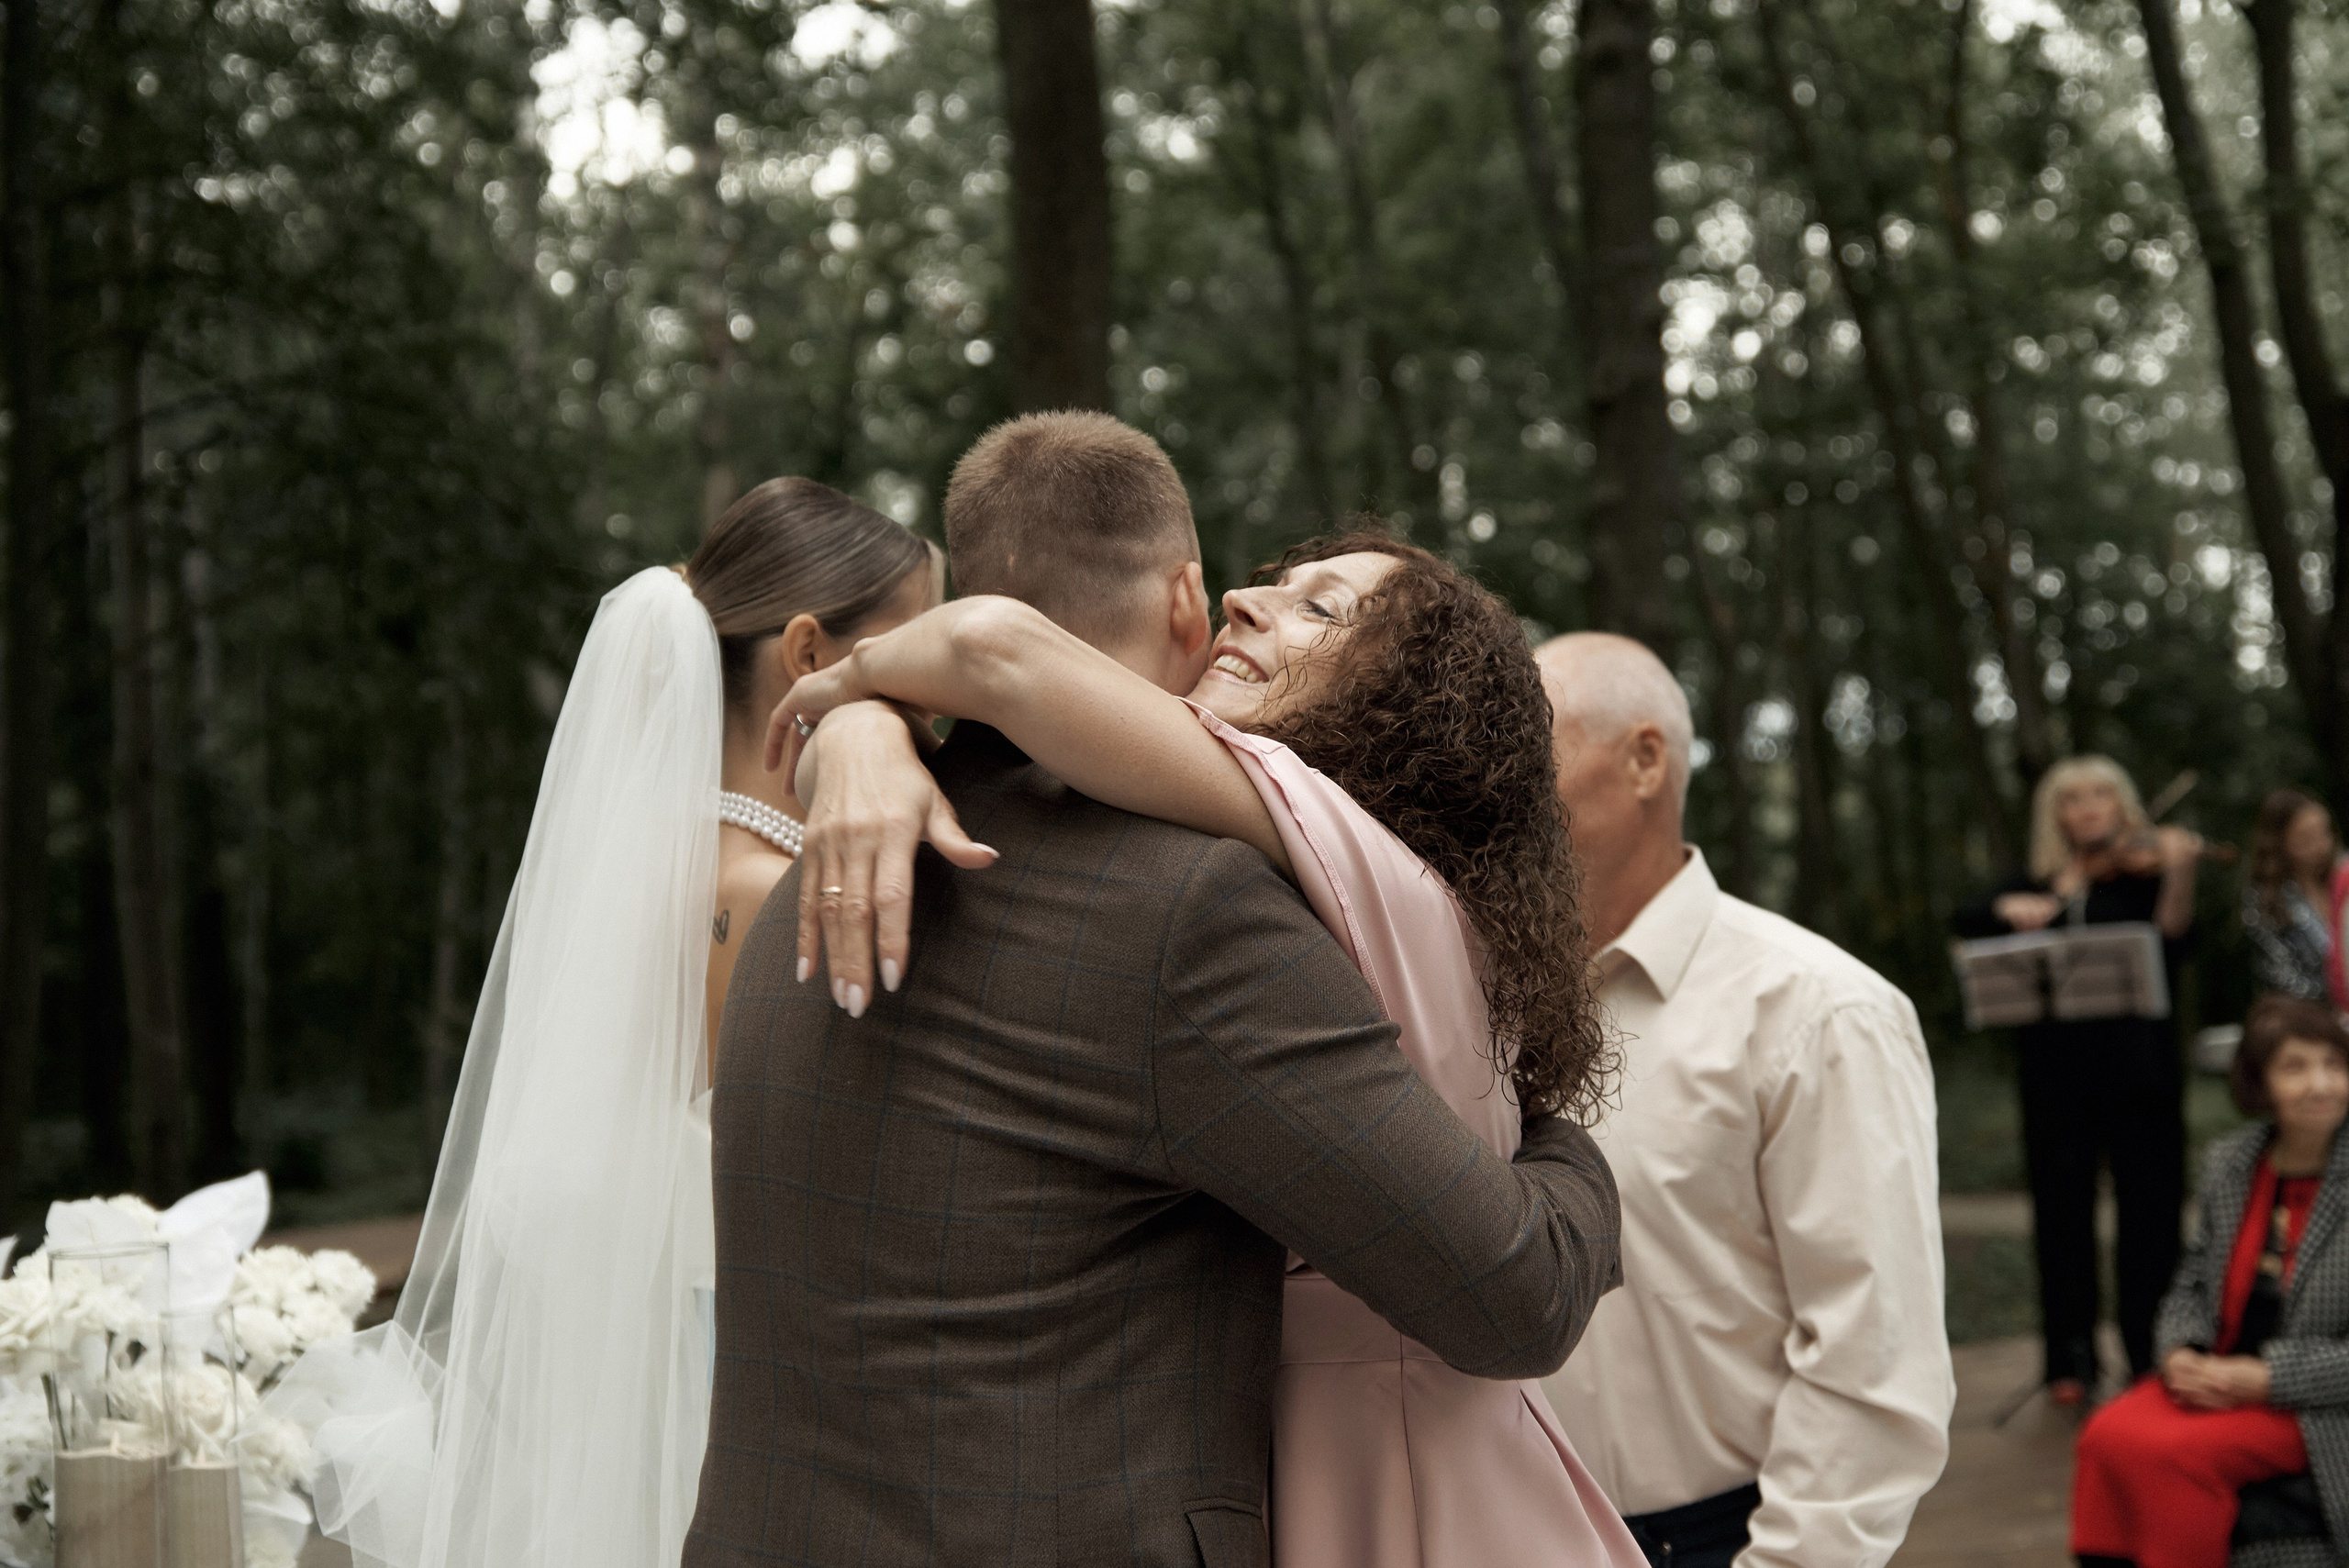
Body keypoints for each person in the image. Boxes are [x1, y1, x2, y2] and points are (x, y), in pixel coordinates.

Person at [683, 413, 1631, 1568]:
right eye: (1258, 584)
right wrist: (1560, 1139)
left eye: (1319, 606)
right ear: (1186, 597)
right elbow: (1513, 1295)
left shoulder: (819, 870)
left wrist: (856, 717)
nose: (1249, 600)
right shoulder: (1193, 911)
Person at [269, 480, 941, 1568]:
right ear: (811, 653)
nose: (932, 706)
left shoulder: (628, 887)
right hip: (755, 1409)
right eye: (914, 661)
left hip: (624, 1395)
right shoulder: (791, 899)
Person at [1534, 632, 1954, 1568]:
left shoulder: (1818, 1010)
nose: (1490, 782)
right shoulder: (1475, 999)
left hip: (1720, 1539)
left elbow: (1869, 1360)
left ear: (1646, 759)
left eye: (1529, 744)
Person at [1954, 755, 2204, 1403]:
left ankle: (2151, 1351)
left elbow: (2175, 937)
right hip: (2056, 1078)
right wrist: (2013, 906)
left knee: (2149, 1213)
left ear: (2124, 805)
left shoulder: (2145, 876)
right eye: (2073, 798)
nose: (2088, 807)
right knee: (2059, 1213)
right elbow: (1966, 916)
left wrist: (2179, 873)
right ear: (2055, 814)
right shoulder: (2037, 880)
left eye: (2101, 794)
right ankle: (2070, 1359)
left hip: (2141, 1073)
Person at [2072, 995, 2349, 1568]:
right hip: (2218, 1375)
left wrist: (2267, 1378)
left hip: (2317, 1401)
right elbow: (2192, 1282)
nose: (2321, 1084)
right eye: (2295, 1067)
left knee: (2173, 1454)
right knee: (2104, 1437)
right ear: (2260, 1083)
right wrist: (2180, 1352)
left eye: (2334, 1064)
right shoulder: (2233, 1164)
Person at [2243, 787, 2344, 1005]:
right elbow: (2286, 983)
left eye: (2324, 832)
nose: (2321, 845)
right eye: (2306, 838)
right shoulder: (2265, 901)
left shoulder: (2342, 878)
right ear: (2280, 842)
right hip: (2306, 1021)